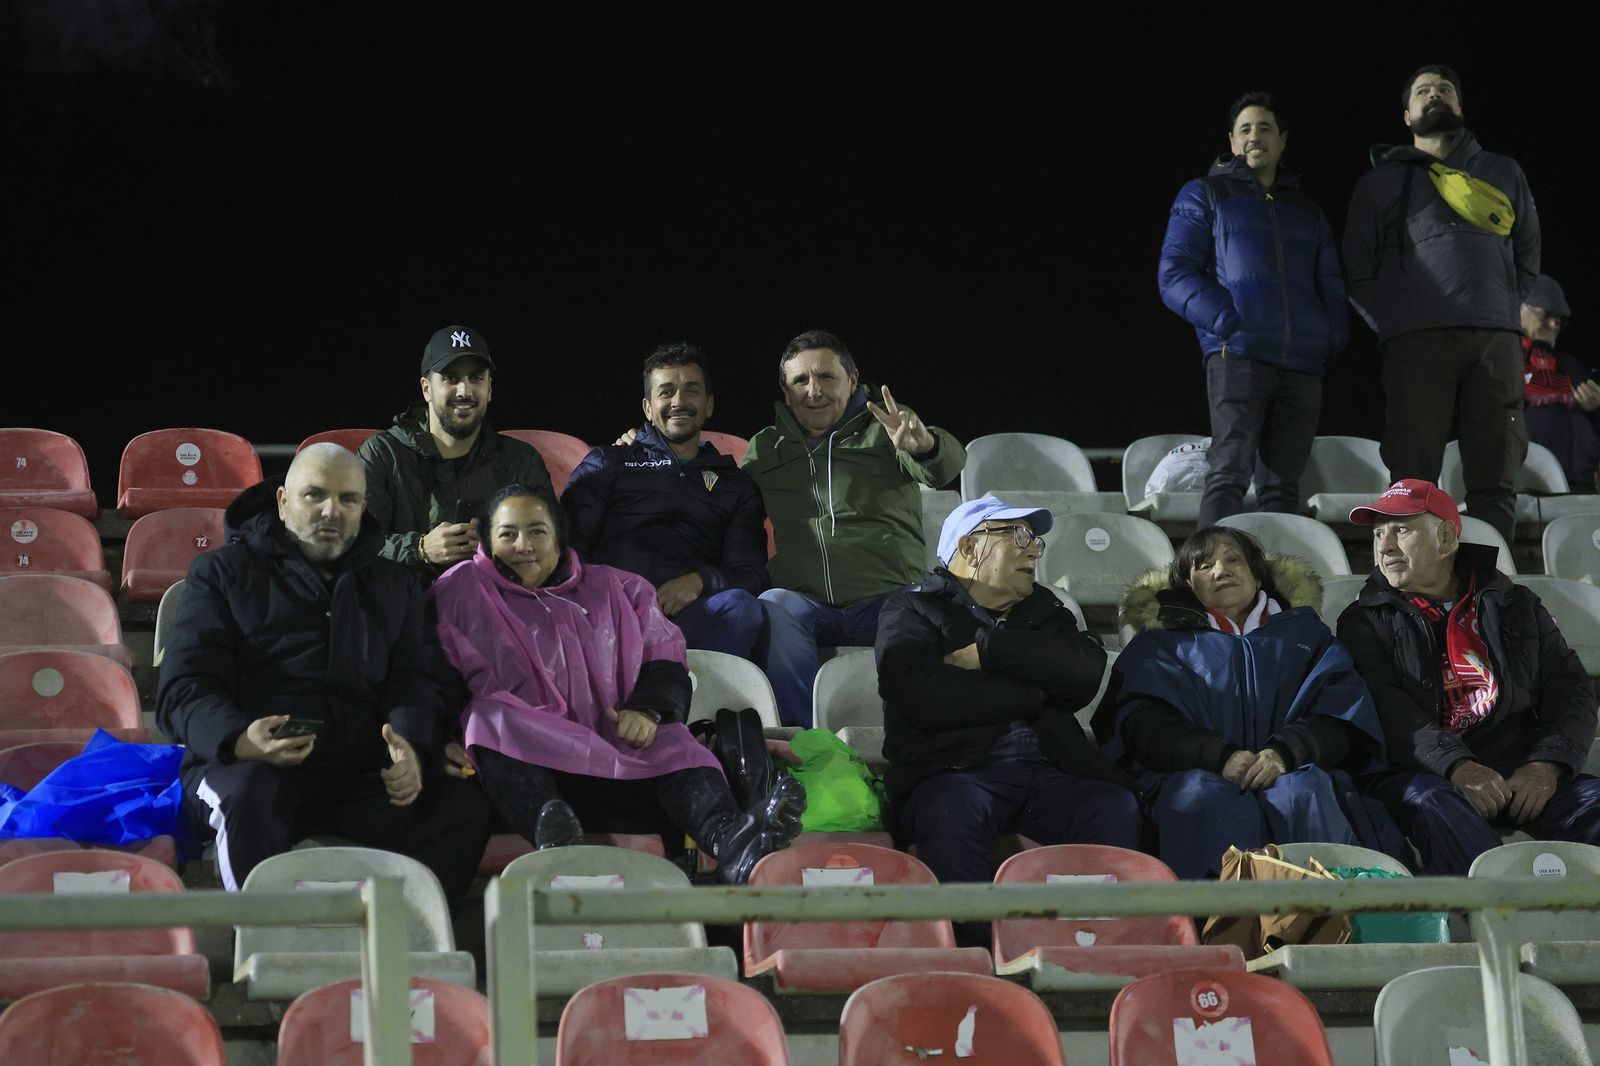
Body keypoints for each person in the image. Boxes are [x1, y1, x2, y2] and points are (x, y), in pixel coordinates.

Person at [156, 444, 491, 907]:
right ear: (282, 501)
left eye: (348, 499)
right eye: (315, 495)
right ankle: (265, 953)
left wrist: (413, 749)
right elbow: (184, 685)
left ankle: (408, 947)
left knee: (460, 807)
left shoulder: (393, 583)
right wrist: (238, 738)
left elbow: (417, 679)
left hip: (359, 773)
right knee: (247, 796)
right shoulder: (222, 572)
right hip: (254, 766)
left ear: (362, 507)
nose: (332, 510)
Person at [429, 483, 805, 884]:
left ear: (559, 537)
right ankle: (552, 835)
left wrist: (647, 710)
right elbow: (433, 676)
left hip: (616, 758)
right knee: (488, 717)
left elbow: (666, 660)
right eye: (508, 534)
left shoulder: (619, 587)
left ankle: (733, 840)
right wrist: (441, 738)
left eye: (537, 531)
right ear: (488, 541)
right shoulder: (461, 589)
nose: (524, 545)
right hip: (525, 774)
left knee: (675, 740)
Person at [876, 497, 1142, 944]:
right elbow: (921, 693)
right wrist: (1034, 693)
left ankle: (1097, 944)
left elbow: (1084, 671)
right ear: (970, 546)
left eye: (1035, 540)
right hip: (955, 771)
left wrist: (988, 652)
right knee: (953, 810)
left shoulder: (1046, 609)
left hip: (1051, 772)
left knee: (1113, 805)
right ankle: (978, 956)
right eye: (1018, 537)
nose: (1035, 551)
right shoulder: (912, 609)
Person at [1338, 479, 1600, 875]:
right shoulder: (1363, 621)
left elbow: (1572, 691)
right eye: (1378, 534)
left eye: (1401, 529)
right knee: (1434, 806)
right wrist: (1457, 766)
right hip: (1423, 776)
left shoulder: (1515, 604)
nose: (1385, 546)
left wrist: (1546, 764)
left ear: (1445, 538)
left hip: (1519, 770)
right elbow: (1388, 710)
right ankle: (1507, 921)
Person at [1096, 527, 1390, 879]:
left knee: (1304, 790)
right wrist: (1219, 756)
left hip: (1292, 769)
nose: (1222, 571)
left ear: (1256, 572)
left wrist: (1284, 752)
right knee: (1204, 798)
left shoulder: (1308, 636)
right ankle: (1221, 926)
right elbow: (1142, 726)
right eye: (1204, 566)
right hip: (1199, 775)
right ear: (1187, 584)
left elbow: (1342, 716)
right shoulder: (1157, 647)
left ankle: (1334, 922)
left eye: (1234, 559)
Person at [1344, 64, 1541, 544]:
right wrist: (1396, 322)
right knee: (1413, 476)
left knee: (1496, 474)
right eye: (1424, 90)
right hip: (1416, 344)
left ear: (1459, 106)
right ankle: (1414, 596)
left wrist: (1499, 309)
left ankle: (1493, 594)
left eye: (1446, 89)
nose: (1436, 95)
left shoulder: (1502, 170)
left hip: (1495, 341)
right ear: (1407, 114)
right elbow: (1357, 269)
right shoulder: (1382, 181)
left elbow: (1528, 254)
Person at [744, 329, 966, 725]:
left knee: (924, 612)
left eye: (826, 376)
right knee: (773, 606)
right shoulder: (765, 448)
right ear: (785, 390)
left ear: (852, 378)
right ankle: (805, 738)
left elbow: (944, 469)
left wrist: (925, 445)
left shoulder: (887, 429)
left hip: (887, 600)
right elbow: (723, 496)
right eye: (800, 380)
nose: (814, 390)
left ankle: (920, 739)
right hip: (808, 605)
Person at [1159, 92, 1348, 527]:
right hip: (1238, 357)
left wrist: (1329, 334)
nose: (1254, 136)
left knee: (1282, 490)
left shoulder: (1307, 210)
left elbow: (1333, 285)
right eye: (1245, 128)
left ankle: (1274, 587)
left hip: (1302, 365)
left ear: (1282, 139)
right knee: (1228, 475)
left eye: (1264, 127)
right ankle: (1205, 585)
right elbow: (1174, 274)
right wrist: (1228, 322)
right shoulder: (1206, 193)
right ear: (1231, 140)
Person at [562, 343, 768, 657]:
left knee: (742, 608)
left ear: (709, 404)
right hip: (611, 619)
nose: (679, 402)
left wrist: (701, 581)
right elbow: (568, 550)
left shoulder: (736, 484)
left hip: (690, 622)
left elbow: (751, 572)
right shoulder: (607, 463)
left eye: (691, 391)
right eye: (666, 391)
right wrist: (608, 601)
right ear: (647, 407)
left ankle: (694, 698)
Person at [358, 325, 552, 583]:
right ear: (426, 389)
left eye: (476, 378)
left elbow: (551, 544)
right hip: (405, 608)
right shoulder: (382, 454)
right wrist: (420, 549)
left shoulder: (520, 460)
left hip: (497, 608)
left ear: (490, 389)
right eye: (450, 378)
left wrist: (497, 546)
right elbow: (356, 544)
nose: (464, 391)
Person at [1521, 275, 1600, 492]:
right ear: (1519, 310)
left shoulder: (1570, 365)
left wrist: (1597, 407)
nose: (1554, 324)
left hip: (1582, 484)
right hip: (1528, 484)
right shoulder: (1503, 361)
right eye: (1546, 315)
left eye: (1559, 319)